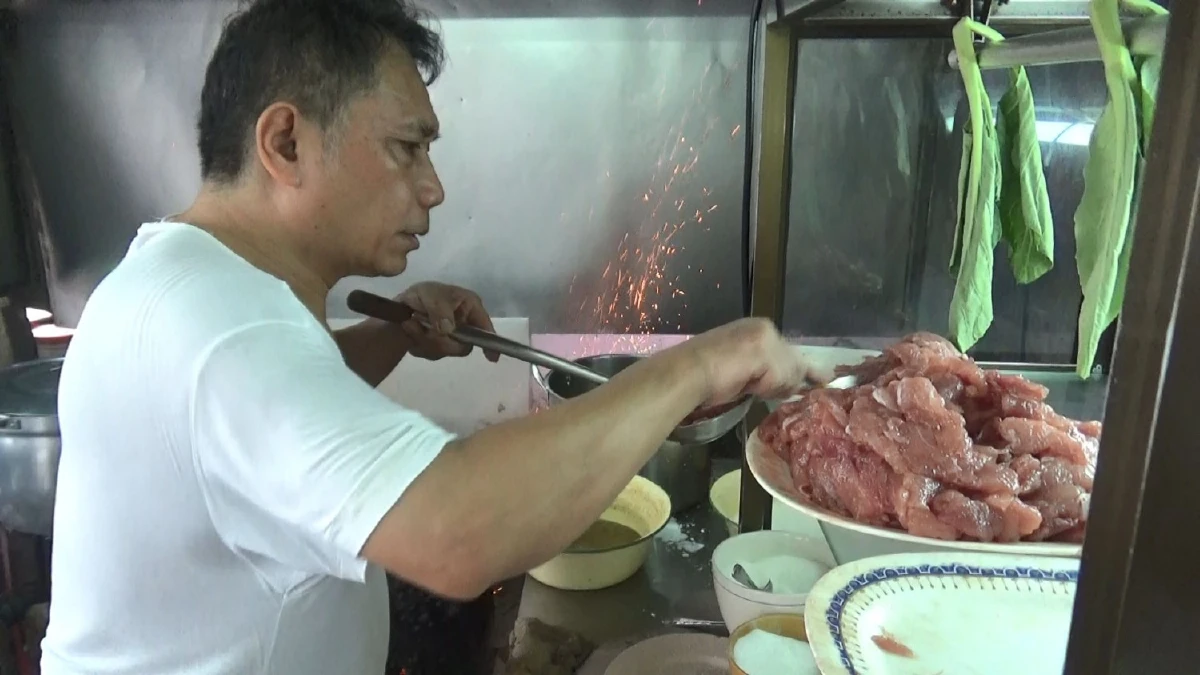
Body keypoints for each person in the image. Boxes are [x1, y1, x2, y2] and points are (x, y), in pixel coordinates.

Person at [39, 1, 823, 673]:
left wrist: (391, 339)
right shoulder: (220, 327)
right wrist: (697, 364)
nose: (434, 186)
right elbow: (457, 533)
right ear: (284, 143)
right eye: (406, 147)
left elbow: (250, 431)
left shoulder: (182, 284)